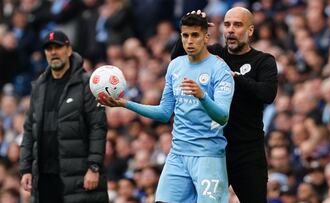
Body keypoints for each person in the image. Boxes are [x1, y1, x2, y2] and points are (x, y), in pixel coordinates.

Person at [98, 13, 234, 202]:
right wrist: (126, 103)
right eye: (185, 36)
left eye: (195, 35)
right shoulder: (175, 66)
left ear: (206, 37)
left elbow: (223, 117)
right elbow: (164, 113)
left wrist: (202, 96)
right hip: (178, 154)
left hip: (207, 155)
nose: (189, 41)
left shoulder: (220, 70)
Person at [172, 7, 278, 203]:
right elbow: (177, 59)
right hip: (213, 150)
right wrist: (192, 26)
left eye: (237, 25)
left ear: (250, 30)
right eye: (227, 24)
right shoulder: (214, 53)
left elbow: (267, 94)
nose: (230, 29)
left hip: (248, 152)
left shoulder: (263, 61)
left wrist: (233, 76)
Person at [19, 31, 109, 203]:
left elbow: (98, 127)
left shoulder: (87, 84)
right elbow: (29, 130)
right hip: (44, 179)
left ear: (68, 50)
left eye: (58, 47)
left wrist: (94, 167)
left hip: (78, 177)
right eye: (49, 49)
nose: (53, 52)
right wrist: (25, 169)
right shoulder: (39, 86)